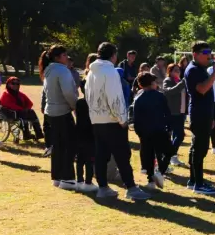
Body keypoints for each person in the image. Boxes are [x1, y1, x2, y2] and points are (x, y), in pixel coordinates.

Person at [87, 42, 150, 201]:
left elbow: (88, 95)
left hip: (96, 119)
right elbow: (114, 98)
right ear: (113, 55)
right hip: (112, 120)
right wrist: (122, 119)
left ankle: (103, 187)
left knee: (101, 154)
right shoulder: (110, 72)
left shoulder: (91, 72)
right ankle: (131, 187)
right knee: (122, 155)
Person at [39, 46, 79, 190]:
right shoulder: (62, 70)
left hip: (51, 112)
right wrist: (76, 107)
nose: (66, 58)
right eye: (64, 55)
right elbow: (68, 92)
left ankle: (57, 176)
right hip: (62, 111)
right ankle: (67, 178)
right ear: (57, 57)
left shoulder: (48, 70)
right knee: (69, 145)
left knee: (57, 145)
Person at [184, 41, 215, 194]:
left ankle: (193, 180)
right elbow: (202, 89)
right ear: (195, 54)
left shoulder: (200, 68)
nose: (209, 56)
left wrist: (211, 116)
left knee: (197, 148)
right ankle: (198, 184)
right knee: (200, 149)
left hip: (204, 113)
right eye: (205, 53)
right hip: (199, 113)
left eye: (210, 53)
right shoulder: (193, 70)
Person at [133, 72, 173, 190]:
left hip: (145, 132)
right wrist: (169, 128)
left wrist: (139, 132)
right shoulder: (160, 96)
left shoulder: (138, 98)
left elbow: (136, 118)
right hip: (159, 130)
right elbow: (167, 113)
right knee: (168, 152)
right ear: (152, 83)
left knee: (149, 155)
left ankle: (150, 180)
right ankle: (160, 172)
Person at [163, 63, 187, 166]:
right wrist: (182, 83)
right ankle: (169, 155)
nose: (178, 72)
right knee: (179, 135)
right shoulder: (168, 80)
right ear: (170, 71)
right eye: (175, 70)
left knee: (177, 135)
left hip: (181, 111)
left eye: (179, 70)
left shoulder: (180, 81)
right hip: (172, 112)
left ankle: (173, 156)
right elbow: (168, 92)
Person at [74, 88, 97, 193]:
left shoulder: (79, 102)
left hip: (79, 133)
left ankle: (79, 180)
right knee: (90, 160)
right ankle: (88, 182)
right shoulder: (93, 103)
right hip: (90, 134)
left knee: (80, 159)